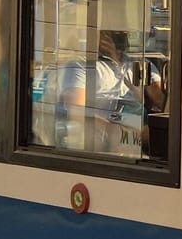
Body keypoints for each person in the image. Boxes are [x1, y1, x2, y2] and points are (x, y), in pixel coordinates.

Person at [59, 29, 163, 157]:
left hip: (140, 127)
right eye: (112, 33)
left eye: (123, 33)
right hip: (106, 129)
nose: (119, 37)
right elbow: (76, 110)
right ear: (99, 36)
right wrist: (112, 130)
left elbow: (162, 100)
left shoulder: (140, 64)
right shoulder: (82, 66)